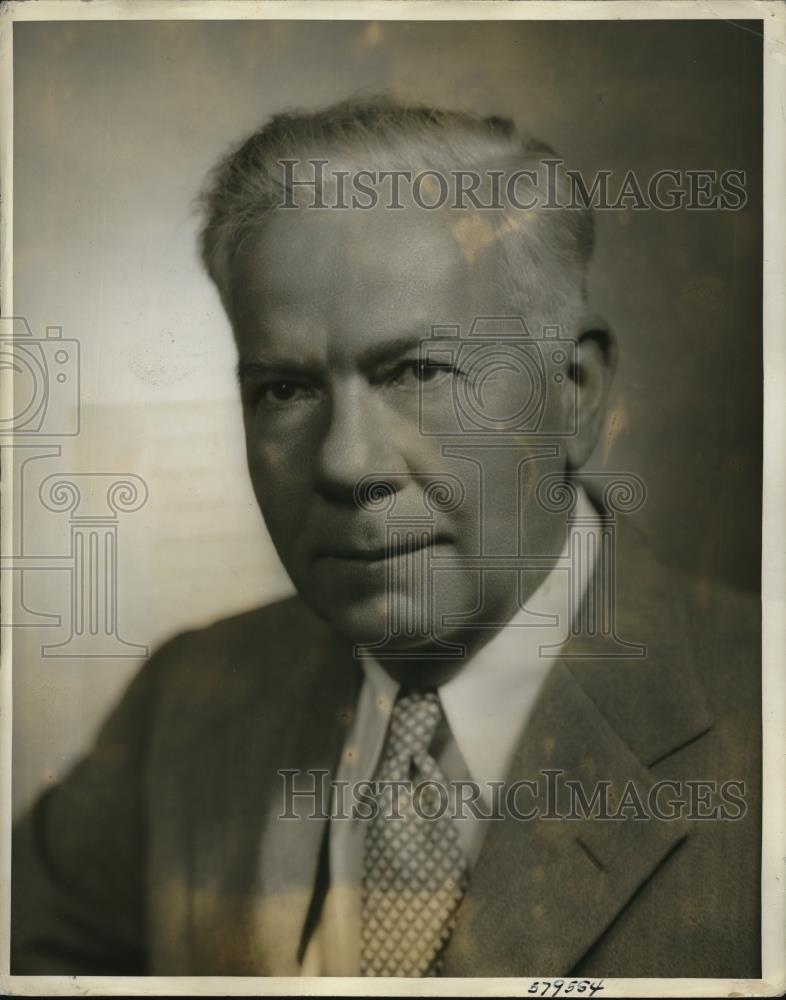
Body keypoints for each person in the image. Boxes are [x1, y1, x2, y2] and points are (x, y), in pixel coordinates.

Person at [12, 96, 760, 979]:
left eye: (416, 370)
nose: (346, 462)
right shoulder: (189, 700)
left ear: (575, 392)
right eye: (285, 391)